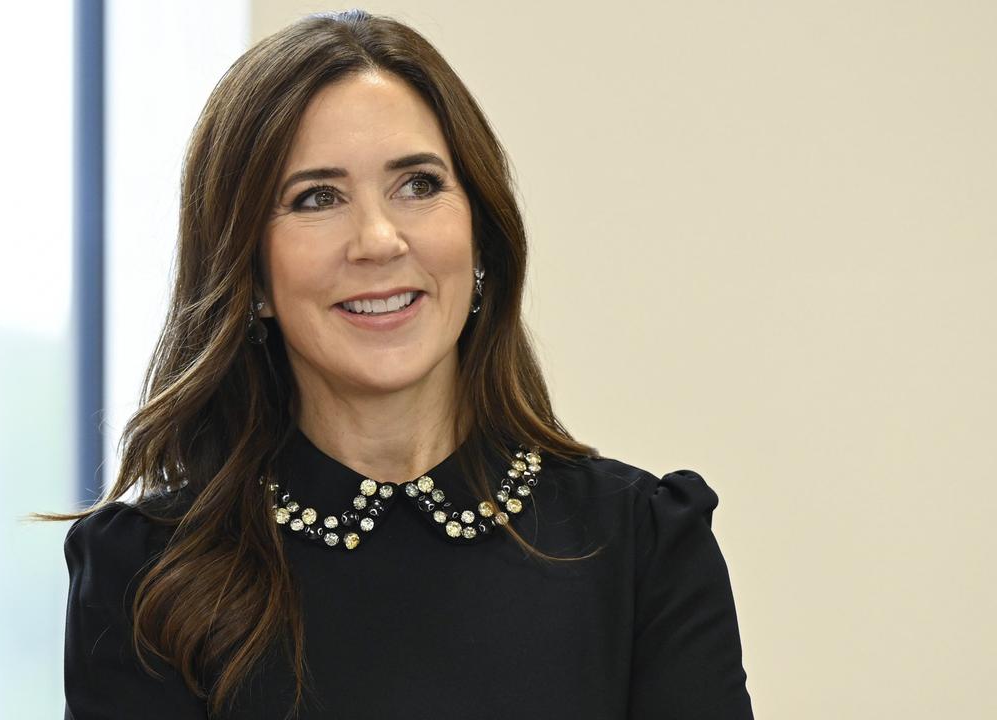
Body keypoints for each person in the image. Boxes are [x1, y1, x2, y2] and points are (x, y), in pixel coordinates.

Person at [52, 9, 754, 719]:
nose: (379, 240)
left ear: (480, 236)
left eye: (417, 184)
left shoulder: (645, 548)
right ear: (252, 277)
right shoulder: (143, 575)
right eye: (317, 198)